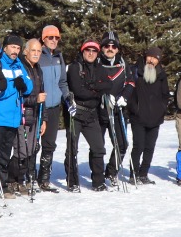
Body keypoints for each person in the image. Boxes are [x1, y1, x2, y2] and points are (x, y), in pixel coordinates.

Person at [0, 33, 34, 194]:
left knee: (5, 155)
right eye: (12, 47)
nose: (15, 51)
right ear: (4, 48)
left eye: (18, 48)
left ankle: (1, 185)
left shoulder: (19, 64)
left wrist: (23, 86)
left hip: (13, 118)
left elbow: (29, 86)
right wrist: (15, 87)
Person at [65, 39, 112, 190]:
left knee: (99, 148)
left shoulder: (100, 68)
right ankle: (72, 182)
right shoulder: (74, 67)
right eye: (88, 50)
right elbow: (79, 92)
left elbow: (108, 85)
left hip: (92, 114)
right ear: (82, 51)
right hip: (76, 113)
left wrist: (92, 87)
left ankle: (98, 182)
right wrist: (96, 90)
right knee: (72, 149)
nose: (91, 53)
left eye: (94, 51)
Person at [35, 24, 73, 190]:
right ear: (44, 39)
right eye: (50, 37)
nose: (54, 40)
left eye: (56, 37)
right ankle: (25, 175)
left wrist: (67, 97)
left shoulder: (59, 56)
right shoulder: (38, 55)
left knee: (49, 144)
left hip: (54, 107)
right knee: (33, 144)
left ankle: (44, 178)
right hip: (38, 107)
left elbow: (62, 82)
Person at [95, 33, 134, 183]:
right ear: (102, 48)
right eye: (107, 46)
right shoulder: (96, 62)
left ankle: (111, 171)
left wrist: (125, 97)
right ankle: (97, 176)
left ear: (117, 49)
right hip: (100, 110)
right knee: (98, 147)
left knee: (122, 144)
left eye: (113, 46)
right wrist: (103, 95)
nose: (110, 49)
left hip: (118, 110)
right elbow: (91, 84)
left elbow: (130, 82)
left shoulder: (123, 64)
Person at [129, 48, 169, 185]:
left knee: (149, 147)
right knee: (138, 146)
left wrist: (161, 110)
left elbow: (165, 95)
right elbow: (129, 91)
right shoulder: (135, 71)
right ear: (145, 57)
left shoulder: (162, 75)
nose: (151, 60)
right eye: (150, 57)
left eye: (155, 58)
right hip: (138, 117)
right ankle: (133, 174)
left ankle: (143, 174)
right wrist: (134, 109)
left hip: (155, 118)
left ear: (159, 60)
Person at [17, 38, 49, 192]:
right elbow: (18, 95)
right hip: (22, 113)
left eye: (39, 51)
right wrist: (35, 99)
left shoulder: (38, 69)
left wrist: (44, 119)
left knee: (32, 148)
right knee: (21, 149)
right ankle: (15, 179)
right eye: (33, 51)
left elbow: (42, 95)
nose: (36, 54)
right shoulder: (21, 67)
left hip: (36, 114)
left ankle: (27, 178)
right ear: (26, 51)